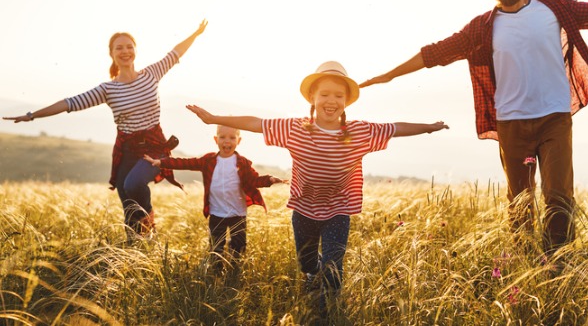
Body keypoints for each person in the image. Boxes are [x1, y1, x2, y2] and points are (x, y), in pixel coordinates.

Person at [360, 0, 588, 256]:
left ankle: (559, 264)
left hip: (553, 118)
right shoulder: (482, 27)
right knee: (520, 201)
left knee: (558, 196)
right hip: (511, 123)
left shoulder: (553, 8)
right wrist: (389, 75)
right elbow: (436, 53)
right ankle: (524, 264)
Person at [185, 60, 448, 316]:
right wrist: (213, 119)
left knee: (334, 266)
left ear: (346, 101)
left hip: (338, 210)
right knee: (308, 263)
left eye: (338, 95)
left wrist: (428, 128)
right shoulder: (295, 129)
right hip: (304, 210)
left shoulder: (359, 132)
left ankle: (326, 314)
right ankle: (313, 273)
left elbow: (395, 128)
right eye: (324, 94)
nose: (331, 101)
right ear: (312, 97)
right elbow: (257, 123)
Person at [3, 19, 208, 242]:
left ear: (136, 50)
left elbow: (175, 53)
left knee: (134, 184)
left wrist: (195, 34)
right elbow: (69, 103)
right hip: (128, 150)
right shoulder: (108, 89)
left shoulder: (152, 73)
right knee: (126, 197)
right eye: (119, 47)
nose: (125, 51)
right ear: (111, 54)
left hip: (154, 146)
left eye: (129, 46)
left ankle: (150, 225)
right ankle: (135, 246)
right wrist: (32, 115)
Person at [144, 125, 285, 275]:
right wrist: (162, 162)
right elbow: (186, 163)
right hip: (217, 213)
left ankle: (233, 273)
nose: (227, 141)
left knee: (239, 246)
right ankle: (216, 273)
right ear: (216, 140)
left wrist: (269, 179)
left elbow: (254, 180)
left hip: (238, 213)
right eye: (223, 137)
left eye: (232, 137)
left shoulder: (242, 162)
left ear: (239, 140)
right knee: (216, 248)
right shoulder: (209, 160)